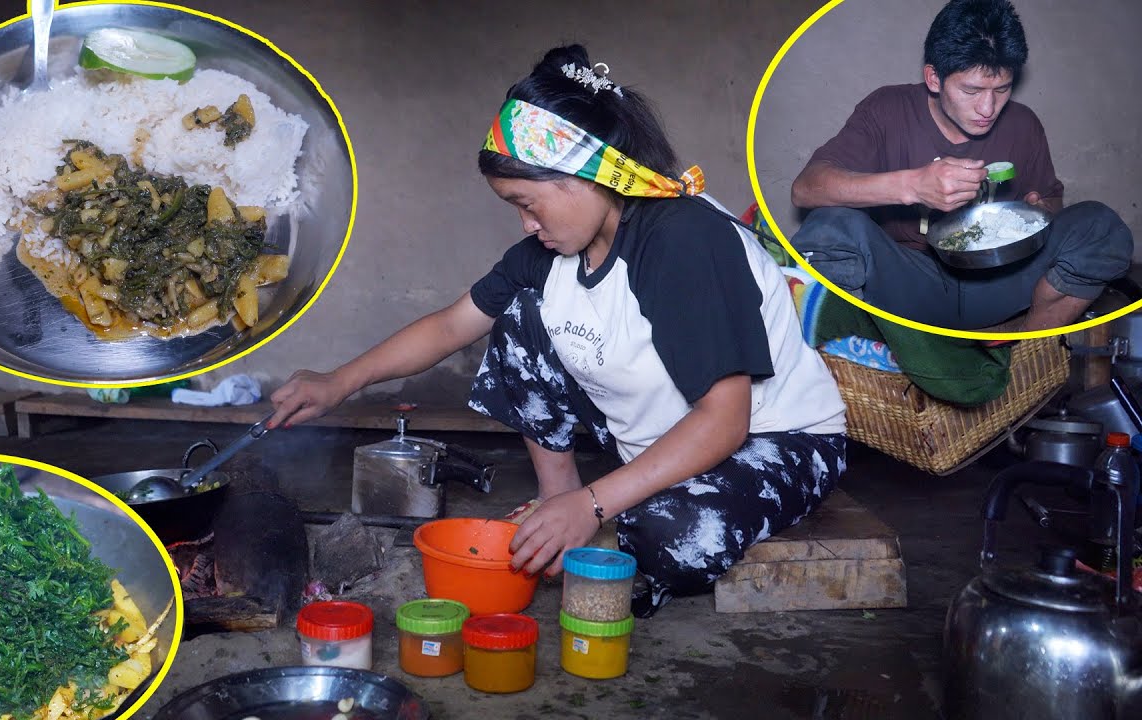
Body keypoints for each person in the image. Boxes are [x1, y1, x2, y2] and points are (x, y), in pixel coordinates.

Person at [269, 45, 846, 617]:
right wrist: (339, 383)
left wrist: (593, 504)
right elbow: (451, 325)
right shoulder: (548, 256)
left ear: (586, 174)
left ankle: (582, 510)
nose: (526, 224)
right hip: (660, 431)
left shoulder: (683, 242)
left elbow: (726, 419)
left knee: (672, 539)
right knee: (520, 316)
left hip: (773, 438)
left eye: (529, 202)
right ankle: (557, 498)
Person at [790, 0, 1132, 333]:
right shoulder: (887, 109)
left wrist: (1038, 212)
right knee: (829, 227)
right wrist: (912, 185)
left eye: (1002, 89)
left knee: (1100, 226)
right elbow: (805, 189)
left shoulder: (1023, 124)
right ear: (934, 78)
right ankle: (879, 346)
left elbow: (1050, 201)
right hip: (911, 283)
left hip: (1001, 280)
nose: (988, 107)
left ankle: (1026, 348)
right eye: (972, 90)